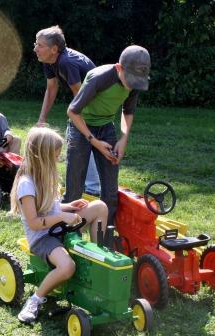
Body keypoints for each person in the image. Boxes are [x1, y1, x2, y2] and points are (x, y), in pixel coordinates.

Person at [10, 127, 108, 323]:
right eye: (55, 156)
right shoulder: (26, 184)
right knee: (67, 267)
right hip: (43, 238)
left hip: (58, 227)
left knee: (99, 207)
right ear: (41, 156)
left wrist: (68, 207)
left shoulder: (45, 176)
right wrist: (63, 216)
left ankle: (99, 258)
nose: (57, 159)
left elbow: (49, 207)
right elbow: (35, 223)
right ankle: (35, 300)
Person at [63, 45, 151, 227]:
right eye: (130, 80)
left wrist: (123, 138)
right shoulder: (99, 78)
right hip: (81, 128)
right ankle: (68, 232)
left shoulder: (135, 82)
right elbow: (72, 111)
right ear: (119, 68)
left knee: (111, 192)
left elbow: (128, 112)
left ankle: (105, 236)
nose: (132, 85)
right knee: (74, 189)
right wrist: (94, 142)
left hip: (106, 127)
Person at [34, 25, 100, 196]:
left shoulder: (65, 63)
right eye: (36, 44)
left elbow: (81, 95)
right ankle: (91, 186)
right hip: (86, 99)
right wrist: (42, 119)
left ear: (54, 49)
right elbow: (51, 88)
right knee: (79, 139)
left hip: (96, 102)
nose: (35, 49)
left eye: (40, 45)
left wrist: (78, 121)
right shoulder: (50, 61)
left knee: (79, 139)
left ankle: (92, 188)